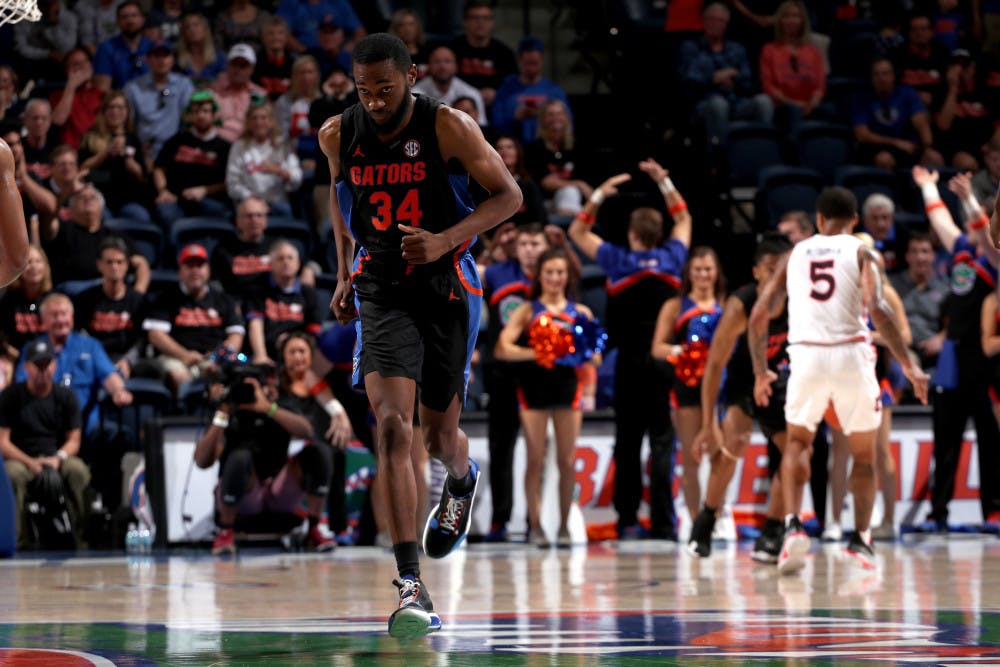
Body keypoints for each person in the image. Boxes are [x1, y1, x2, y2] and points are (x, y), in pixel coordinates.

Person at [317, 33, 521, 638]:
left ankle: (461, 477)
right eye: (364, 90)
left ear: (410, 75)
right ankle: (410, 583)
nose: (375, 101)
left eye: (386, 88)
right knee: (390, 424)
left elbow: (509, 197)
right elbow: (340, 196)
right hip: (380, 287)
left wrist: (445, 238)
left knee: (437, 438)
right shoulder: (337, 134)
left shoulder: (449, 126)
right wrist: (342, 266)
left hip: (447, 288)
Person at [749, 186, 928, 573]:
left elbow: (759, 313)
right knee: (864, 455)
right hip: (850, 354)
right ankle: (860, 539)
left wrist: (761, 369)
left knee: (797, 443)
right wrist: (909, 365)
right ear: (855, 222)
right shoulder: (862, 251)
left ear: (818, 219)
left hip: (806, 355)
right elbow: (879, 309)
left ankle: (794, 525)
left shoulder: (795, 253)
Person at [567, 160, 690, 541]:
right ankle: (666, 523)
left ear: (632, 232)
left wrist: (601, 192)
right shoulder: (672, 258)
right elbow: (684, 219)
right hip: (664, 360)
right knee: (663, 442)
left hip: (629, 364)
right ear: (657, 232)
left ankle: (627, 520)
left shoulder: (617, 259)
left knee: (628, 442)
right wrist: (665, 180)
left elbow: (577, 229)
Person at [689, 233, 794, 561]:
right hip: (743, 380)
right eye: (770, 268)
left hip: (781, 381)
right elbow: (714, 365)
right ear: (756, 272)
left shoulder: (799, 301)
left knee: (794, 454)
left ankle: (773, 529)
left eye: (783, 268)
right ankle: (706, 519)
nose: (778, 275)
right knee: (733, 445)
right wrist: (708, 424)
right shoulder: (741, 305)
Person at [193, 336, 335, 556]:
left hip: (277, 490)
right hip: (244, 494)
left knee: (319, 451)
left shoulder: (277, 402)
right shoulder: (230, 407)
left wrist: (268, 408)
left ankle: (314, 529)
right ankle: (225, 532)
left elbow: (306, 430)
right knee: (240, 457)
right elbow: (202, 461)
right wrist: (223, 413)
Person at [495, 247, 598, 546]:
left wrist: (576, 349)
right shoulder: (528, 310)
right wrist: (538, 352)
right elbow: (503, 348)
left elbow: (596, 358)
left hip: (568, 389)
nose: (555, 278)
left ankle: (564, 526)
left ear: (568, 276)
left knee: (566, 461)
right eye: (549, 272)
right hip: (533, 389)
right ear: (540, 276)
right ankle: (536, 526)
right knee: (535, 460)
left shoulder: (580, 312)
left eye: (560, 272)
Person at [917, 166, 1000, 531]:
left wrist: (968, 198)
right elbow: (940, 223)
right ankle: (939, 513)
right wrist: (929, 188)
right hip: (953, 357)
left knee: (991, 439)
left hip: (985, 360)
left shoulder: (992, 257)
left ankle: (993, 511)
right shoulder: (962, 250)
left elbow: (982, 229)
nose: (968, 223)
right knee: (945, 439)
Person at [480, 223, 548, 541]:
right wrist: (493, 246)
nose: (530, 249)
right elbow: (468, 270)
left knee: (539, 450)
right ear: (515, 247)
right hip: (503, 370)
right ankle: (500, 520)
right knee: (501, 447)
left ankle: (538, 519)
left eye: (536, 243)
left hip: (540, 372)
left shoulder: (552, 276)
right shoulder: (497, 272)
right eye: (525, 243)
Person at [650, 247, 724, 531]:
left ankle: (717, 516)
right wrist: (684, 351)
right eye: (698, 270)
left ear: (716, 273)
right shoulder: (675, 306)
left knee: (720, 455)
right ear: (689, 273)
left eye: (708, 269)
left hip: (720, 388)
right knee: (692, 456)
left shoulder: (726, 305)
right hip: (687, 387)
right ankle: (695, 521)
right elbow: (657, 348)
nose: (704, 275)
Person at [0, 338, 88, 549]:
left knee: (78, 471)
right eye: (37, 365)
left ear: (54, 365)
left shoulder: (66, 397)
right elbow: (2, 441)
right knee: (12, 475)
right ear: (26, 367)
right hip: (22, 458)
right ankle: (18, 540)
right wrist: (30, 462)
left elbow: (74, 440)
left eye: (46, 364)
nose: (43, 370)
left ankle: (79, 538)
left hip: (56, 456)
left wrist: (58, 458)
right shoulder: (11, 396)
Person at [143, 243, 245, 393]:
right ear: (180, 271)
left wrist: (217, 357)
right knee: (180, 377)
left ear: (208, 270)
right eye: (190, 266)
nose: (195, 271)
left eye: (200, 265)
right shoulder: (165, 299)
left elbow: (236, 336)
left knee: (242, 365)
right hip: (176, 358)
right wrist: (185, 355)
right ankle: (187, 412)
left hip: (215, 359)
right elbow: (156, 336)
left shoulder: (224, 300)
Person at [679, 2, 774, 155]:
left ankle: (764, 151)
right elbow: (689, 79)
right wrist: (713, 78)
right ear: (703, 20)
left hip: (736, 102)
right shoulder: (691, 47)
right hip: (705, 105)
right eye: (711, 19)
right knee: (718, 104)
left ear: (726, 24)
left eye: (720, 20)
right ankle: (721, 157)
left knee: (764, 101)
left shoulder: (736, 49)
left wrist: (722, 78)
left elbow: (746, 80)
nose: (715, 24)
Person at [38, 184, 151, 291]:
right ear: (70, 209)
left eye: (93, 197)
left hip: (108, 290)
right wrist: (66, 192)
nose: (88, 200)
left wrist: (137, 294)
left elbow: (141, 263)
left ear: (102, 208)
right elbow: (49, 214)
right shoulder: (62, 230)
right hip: (73, 290)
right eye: (81, 197)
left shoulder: (115, 235)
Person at [153, 90, 232, 228]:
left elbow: (229, 182)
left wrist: (205, 190)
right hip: (175, 199)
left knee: (220, 213)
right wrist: (163, 191)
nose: (201, 116)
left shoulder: (225, 147)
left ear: (214, 115)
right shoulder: (176, 141)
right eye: (196, 112)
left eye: (205, 111)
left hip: (209, 200)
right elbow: (159, 168)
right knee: (166, 214)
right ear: (189, 116)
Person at [74, 236, 148, 378]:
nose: (114, 267)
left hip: (127, 360)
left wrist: (127, 361)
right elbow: (78, 335)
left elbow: (142, 340)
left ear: (127, 265)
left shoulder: (138, 301)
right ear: (99, 265)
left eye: (119, 262)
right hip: (93, 359)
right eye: (109, 262)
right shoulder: (85, 299)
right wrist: (98, 360)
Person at [851, 56, 943, 170]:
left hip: (907, 145)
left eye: (885, 74)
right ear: (871, 77)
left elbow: (921, 123)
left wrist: (927, 147)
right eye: (876, 74)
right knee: (884, 159)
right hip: (876, 147)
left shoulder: (907, 93)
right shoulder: (861, 99)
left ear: (893, 75)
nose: (881, 78)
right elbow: (862, 135)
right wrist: (895, 143)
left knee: (934, 158)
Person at [759, 0, 829, 138]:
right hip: (783, 107)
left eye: (796, 16)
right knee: (793, 112)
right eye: (787, 16)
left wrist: (812, 103)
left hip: (810, 106)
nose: (792, 20)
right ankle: (795, 157)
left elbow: (820, 86)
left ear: (803, 20)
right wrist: (795, 104)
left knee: (830, 110)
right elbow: (769, 88)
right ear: (780, 20)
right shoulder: (769, 50)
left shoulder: (813, 51)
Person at [78, 91, 152, 222]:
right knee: (103, 221)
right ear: (104, 111)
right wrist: (107, 151)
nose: (115, 112)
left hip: (129, 199)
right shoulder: (91, 136)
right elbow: (82, 168)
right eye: (111, 107)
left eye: (120, 107)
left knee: (142, 218)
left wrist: (130, 162)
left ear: (127, 111)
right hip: (99, 197)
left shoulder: (133, 139)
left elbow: (142, 176)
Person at [246, 239, 323, 365]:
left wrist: (292, 341)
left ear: (298, 263)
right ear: (270, 264)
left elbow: (313, 331)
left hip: (299, 354)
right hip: (268, 353)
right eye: (280, 258)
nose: (286, 262)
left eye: (290, 258)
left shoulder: (308, 293)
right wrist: (261, 356)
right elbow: (255, 324)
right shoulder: (259, 290)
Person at [225, 100, 303, 219]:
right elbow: (232, 184)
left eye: (263, 118)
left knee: (285, 211)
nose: (259, 122)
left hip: (277, 202)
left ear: (271, 121)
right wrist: (254, 200)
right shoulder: (239, 146)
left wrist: (278, 171)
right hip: (249, 202)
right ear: (248, 122)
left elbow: (297, 179)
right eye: (254, 118)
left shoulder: (282, 145)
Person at [490, 36, 572, 147]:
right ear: (519, 61)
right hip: (516, 148)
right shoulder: (506, 90)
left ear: (542, 61)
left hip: (546, 149)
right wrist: (516, 119)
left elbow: (568, 123)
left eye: (535, 63)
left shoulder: (554, 90)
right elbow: (496, 124)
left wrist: (544, 115)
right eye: (528, 63)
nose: (532, 68)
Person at [124, 40, 195, 164]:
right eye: (157, 56)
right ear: (148, 59)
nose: (161, 61)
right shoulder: (133, 88)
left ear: (172, 59)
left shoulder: (184, 84)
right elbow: (128, 124)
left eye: (165, 56)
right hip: (143, 149)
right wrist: (135, 147)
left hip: (174, 150)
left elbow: (189, 119)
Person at [524, 99, 592, 216]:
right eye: (550, 114)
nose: (555, 118)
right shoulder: (535, 148)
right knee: (569, 191)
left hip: (578, 203)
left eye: (559, 113)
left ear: (566, 117)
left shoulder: (578, 146)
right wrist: (579, 184)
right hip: (545, 204)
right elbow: (546, 182)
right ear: (543, 120)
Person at [448, 0, 517, 110]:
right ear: (466, 22)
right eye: (475, 18)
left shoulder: (504, 53)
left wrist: (496, 93)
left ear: (492, 23)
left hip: (495, 106)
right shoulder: (452, 49)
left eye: (485, 18)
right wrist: (473, 94)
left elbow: (513, 84)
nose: (480, 23)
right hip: (458, 105)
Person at [412, 45, 488, 124]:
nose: (442, 66)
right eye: (437, 61)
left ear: (456, 66)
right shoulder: (416, 94)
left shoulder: (471, 94)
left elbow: (481, 126)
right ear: (429, 66)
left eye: (447, 61)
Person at [0, 245, 50, 361]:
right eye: (28, 262)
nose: (34, 267)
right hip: (15, 358)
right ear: (19, 268)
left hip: (48, 358)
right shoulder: (9, 300)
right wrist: (7, 350)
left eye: (38, 261)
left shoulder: (52, 299)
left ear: (45, 267)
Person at [92, 1, 156, 93]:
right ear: (118, 22)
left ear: (142, 19)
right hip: (120, 102)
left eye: (134, 16)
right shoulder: (106, 48)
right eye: (124, 17)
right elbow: (103, 89)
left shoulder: (154, 47)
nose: (130, 21)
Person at [49, 48, 105, 151]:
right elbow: (58, 120)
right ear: (67, 70)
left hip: (97, 149)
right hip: (70, 152)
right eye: (76, 64)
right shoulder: (59, 96)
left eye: (86, 61)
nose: (83, 67)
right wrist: (71, 85)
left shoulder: (100, 94)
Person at [212, 43, 268, 144]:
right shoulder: (214, 92)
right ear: (228, 66)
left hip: (250, 146)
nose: (237, 70)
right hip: (219, 146)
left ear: (252, 69)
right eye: (234, 64)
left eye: (243, 66)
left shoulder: (260, 95)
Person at [176, 13, 228, 88]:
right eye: (187, 27)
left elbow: (223, 84)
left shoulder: (219, 57)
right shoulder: (177, 59)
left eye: (196, 25)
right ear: (183, 33)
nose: (192, 29)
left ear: (205, 29)